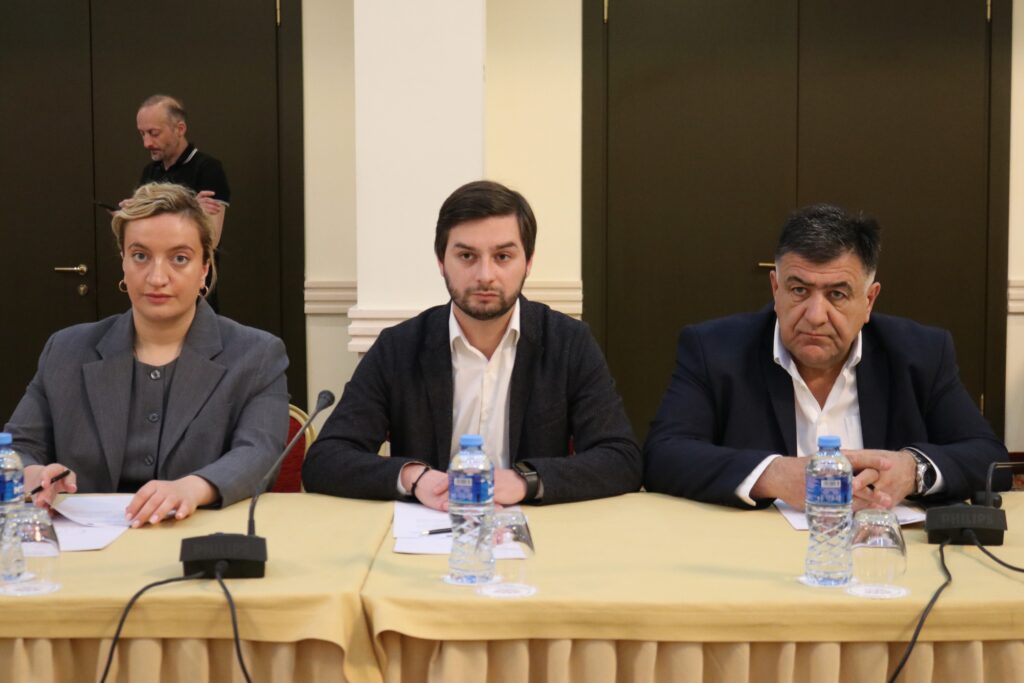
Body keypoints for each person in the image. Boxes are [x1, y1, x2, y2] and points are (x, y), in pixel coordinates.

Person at [643, 204, 1010, 510]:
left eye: (837, 295)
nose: (816, 315)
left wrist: (913, 470)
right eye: (799, 290)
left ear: (869, 301)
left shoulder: (921, 353)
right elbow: (663, 455)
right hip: (754, 551)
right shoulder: (714, 349)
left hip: (878, 555)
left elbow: (990, 457)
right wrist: (774, 474)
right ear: (776, 289)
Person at [302, 180, 641, 510]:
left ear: (528, 262)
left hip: (536, 530)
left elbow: (621, 458)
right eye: (466, 256)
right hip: (430, 526)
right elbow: (325, 459)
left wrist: (525, 480)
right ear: (441, 262)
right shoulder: (399, 347)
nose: (485, 275)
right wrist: (414, 477)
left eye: (503, 256)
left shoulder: (567, 342)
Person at [5, 183, 288, 526]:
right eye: (140, 256)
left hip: (197, 534)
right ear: (123, 262)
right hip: (81, 543)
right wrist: (34, 475)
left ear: (204, 268)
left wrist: (193, 488)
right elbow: (18, 446)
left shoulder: (256, 354)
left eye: (179, 258)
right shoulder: (66, 350)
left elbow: (259, 452)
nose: (157, 277)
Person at [133, 94, 230, 311]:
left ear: (180, 129)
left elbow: (210, 240)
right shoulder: (150, 172)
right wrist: (130, 217)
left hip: (195, 292)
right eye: (142, 134)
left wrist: (152, 211)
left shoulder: (208, 169)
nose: (147, 143)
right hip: (152, 288)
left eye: (154, 133)